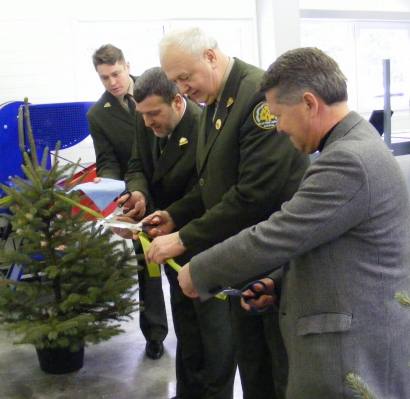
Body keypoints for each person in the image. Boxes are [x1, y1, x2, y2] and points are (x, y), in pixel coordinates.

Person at [177, 47, 410, 399]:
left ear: (309, 103)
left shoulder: (347, 161)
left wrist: (199, 270)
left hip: (348, 356)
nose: (279, 127)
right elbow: (331, 246)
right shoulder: (352, 147)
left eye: (280, 114)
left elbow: (277, 235)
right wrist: (277, 282)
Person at [144, 27, 310, 399]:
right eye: (175, 81)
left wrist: (184, 238)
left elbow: (254, 194)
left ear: (211, 56)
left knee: (275, 370)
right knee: (252, 364)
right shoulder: (216, 101)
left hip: (273, 262)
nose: (182, 89)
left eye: (185, 77)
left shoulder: (258, 97)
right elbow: (213, 182)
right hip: (242, 259)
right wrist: (175, 215)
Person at [120, 67, 236, 399]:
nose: (147, 123)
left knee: (215, 339)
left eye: (154, 113)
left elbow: (209, 190)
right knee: (187, 333)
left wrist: (172, 217)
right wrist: (139, 194)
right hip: (167, 247)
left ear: (178, 100)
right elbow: (137, 165)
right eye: (142, 115)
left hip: (203, 245)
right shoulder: (147, 121)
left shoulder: (204, 127)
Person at [87, 44, 167, 360]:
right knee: (147, 270)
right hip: (135, 202)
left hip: (170, 191)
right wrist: (107, 190)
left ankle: (194, 327)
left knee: (180, 266)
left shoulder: (153, 90)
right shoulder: (98, 115)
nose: (112, 83)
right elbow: (107, 160)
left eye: (116, 74)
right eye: (104, 78)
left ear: (127, 65)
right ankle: (155, 334)